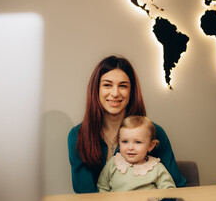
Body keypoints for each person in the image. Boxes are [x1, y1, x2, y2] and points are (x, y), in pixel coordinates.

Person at [68, 55, 186, 193]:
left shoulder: (155, 132)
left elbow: (177, 187)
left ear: (132, 91)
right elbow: (85, 195)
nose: (115, 93)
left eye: (123, 86)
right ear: (96, 90)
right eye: (107, 85)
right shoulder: (78, 136)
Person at [97, 115, 176, 192]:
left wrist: (156, 199)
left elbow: (169, 189)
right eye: (125, 141)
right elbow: (102, 188)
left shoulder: (155, 167)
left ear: (150, 146)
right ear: (119, 143)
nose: (130, 147)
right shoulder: (114, 163)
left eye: (138, 142)